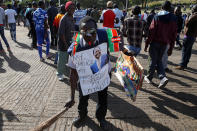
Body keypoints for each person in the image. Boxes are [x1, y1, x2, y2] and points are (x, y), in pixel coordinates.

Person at [65, 16, 111, 131]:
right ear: (80, 32)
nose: (88, 35)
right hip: (85, 77)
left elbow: (118, 47)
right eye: (84, 31)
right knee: (83, 97)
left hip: (103, 73)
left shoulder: (105, 36)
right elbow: (73, 74)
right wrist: (71, 97)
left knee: (103, 97)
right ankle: (82, 115)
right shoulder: (75, 49)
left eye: (92, 31)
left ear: (97, 29)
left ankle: (101, 118)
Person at [144, 1, 177, 88]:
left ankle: (149, 77)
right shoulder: (173, 18)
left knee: (152, 59)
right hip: (165, 43)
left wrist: (147, 44)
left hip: (155, 42)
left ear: (162, 7)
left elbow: (152, 31)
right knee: (158, 60)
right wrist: (171, 47)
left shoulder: (157, 16)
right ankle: (162, 77)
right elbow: (174, 34)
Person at [56, 1, 75, 80]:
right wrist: (66, 44)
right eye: (71, 8)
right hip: (63, 43)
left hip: (70, 41)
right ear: (67, 9)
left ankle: (65, 71)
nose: (73, 10)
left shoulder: (72, 17)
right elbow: (61, 34)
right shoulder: (64, 19)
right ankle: (59, 74)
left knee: (68, 58)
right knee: (62, 60)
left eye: (74, 8)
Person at [175, 5, 197, 70]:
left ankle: (182, 65)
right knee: (188, 51)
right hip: (193, 36)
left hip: (189, 35)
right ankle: (185, 64)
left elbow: (186, 23)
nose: (192, 10)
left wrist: (187, 17)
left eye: (193, 8)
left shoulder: (194, 16)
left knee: (184, 50)